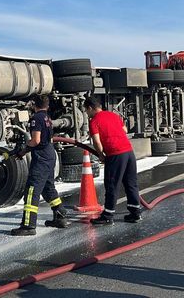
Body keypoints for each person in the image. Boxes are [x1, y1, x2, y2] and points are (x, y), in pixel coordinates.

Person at [11, 94, 69, 236]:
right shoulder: (47, 118)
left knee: (32, 190)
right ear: (47, 106)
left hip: (41, 157)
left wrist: (23, 147)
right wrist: (23, 152)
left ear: (34, 104)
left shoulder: (36, 118)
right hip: (49, 154)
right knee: (48, 187)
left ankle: (28, 226)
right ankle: (60, 215)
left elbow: (35, 140)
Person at [83, 97, 141, 225]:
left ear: (90, 108)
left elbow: (97, 142)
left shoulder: (94, 121)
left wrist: (101, 155)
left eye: (87, 111)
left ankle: (108, 215)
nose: (87, 114)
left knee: (112, 184)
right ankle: (135, 213)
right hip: (129, 152)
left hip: (115, 154)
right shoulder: (113, 115)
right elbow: (125, 130)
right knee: (131, 183)